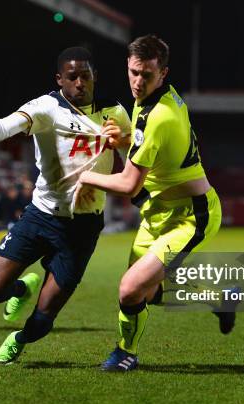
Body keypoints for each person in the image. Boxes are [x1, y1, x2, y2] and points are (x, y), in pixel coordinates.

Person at [0, 46, 131, 365]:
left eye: (86, 75)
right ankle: (21, 289)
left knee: (42, 321)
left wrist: (122, 141)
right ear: (60, 79)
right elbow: (8, 124)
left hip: (83, 228)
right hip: (40, 217)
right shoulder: (46, 107)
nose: (80, 82)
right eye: (72, 77)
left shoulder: (114, 111)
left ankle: (19, 340)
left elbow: (137, 153)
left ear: (95, 77)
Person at [76, 35, 232, 372]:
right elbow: (148, 150)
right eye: (133, 72)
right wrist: (125, 140)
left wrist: (84, 177)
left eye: (146, 75)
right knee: (145, 292)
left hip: (191, 214)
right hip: (158, 211)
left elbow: (129, 183)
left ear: (163, 73)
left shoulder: (157, 115)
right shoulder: (156, 98)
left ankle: (125, 353)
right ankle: (218, 298)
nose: (137, 82)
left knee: (130, 289)